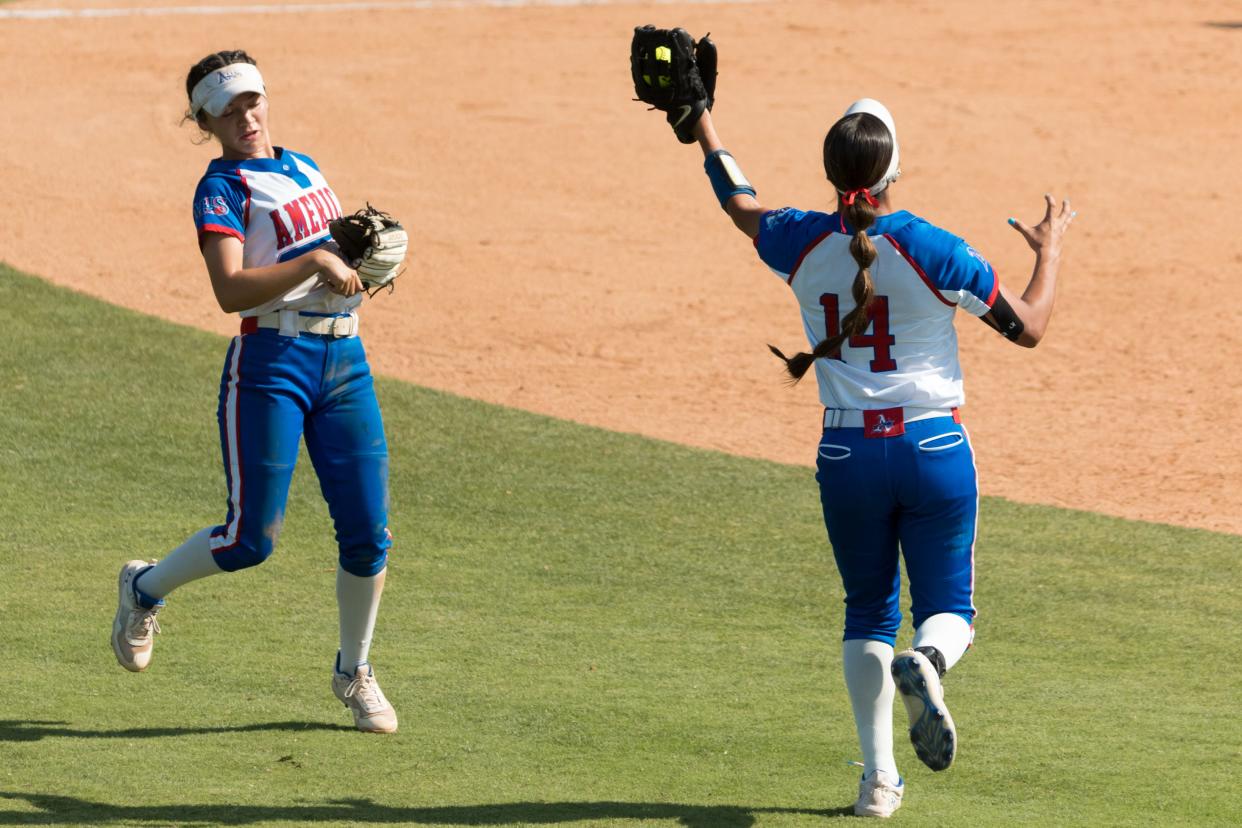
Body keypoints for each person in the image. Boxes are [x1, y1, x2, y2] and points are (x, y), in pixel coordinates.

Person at [634, 32, 1073, 819]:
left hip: (845, 453)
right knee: (951, 610)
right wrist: (1053, 249)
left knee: (866, 609)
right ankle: (931, 661)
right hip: (934, 445)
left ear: (834, 173)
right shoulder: (935, 247)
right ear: (893, 169)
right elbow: (1031, 327)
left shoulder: (799, 239)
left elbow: (739, 202)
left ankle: (878, 782)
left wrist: (703, 124)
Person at [110, 49, 402, 734]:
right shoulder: (221, 188)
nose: (246, 117)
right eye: (228, 109)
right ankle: (143, 587)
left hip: (345, 361)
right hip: (271, 363)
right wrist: (313, 262)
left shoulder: (303, 165)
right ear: (204, 119)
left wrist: (362, 258)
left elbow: (331, 256)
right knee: (249, 541)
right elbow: (229, 290)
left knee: (368, 534)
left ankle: (353, 672)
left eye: (252, 102)